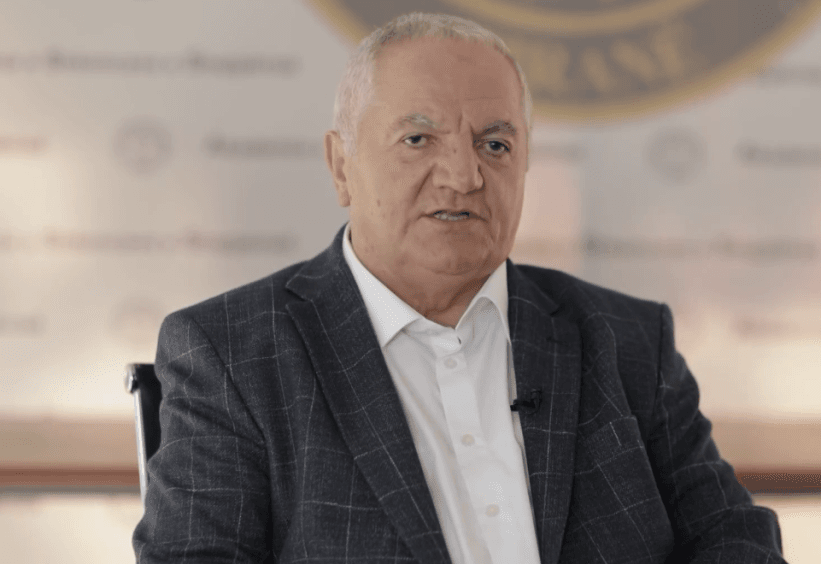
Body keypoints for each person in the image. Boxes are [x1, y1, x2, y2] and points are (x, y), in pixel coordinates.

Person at [133, 12, 785, 564]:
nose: (463, 175)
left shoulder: (629, 341)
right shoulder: (232, 355)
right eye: (418, 139)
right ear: (341, 165)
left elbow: (732, 537)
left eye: (494, 145)